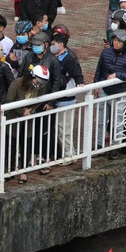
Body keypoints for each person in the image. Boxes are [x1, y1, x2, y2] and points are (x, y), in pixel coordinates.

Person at [94, 29, 126, 159]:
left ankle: (115, 146)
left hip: (119, 93)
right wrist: (96, 85)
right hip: (104, 90)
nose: (115, 43)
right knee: (101, 120)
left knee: (117, 121)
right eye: (114, 40)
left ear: (124, 43)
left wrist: (117, 75)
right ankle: (99, 145)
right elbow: (99, 69)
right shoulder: (106, 53)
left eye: (118, 41)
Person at [4, 65, 52, 183]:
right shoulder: (17, 83)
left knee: (26, 144)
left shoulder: (41, 88)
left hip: (28, 119)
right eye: (38, 80)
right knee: (11, 145)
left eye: (42, 82)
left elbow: (38, 101)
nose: (39, 84)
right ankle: (9, 170)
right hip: (14, 118)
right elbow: (10, 101)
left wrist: (30, 110)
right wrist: (22, 111)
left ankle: (23, 171)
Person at [50, 33, 84, 162]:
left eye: (53, 44)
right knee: (59, 129)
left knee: (65, 129)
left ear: (61, 45)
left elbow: (78, 74)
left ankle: (69, 155)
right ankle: (62, 152)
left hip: (66, 98)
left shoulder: (69, 58)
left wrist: (80, 83)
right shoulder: (53, 56)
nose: (51, 46)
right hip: (57, 97)